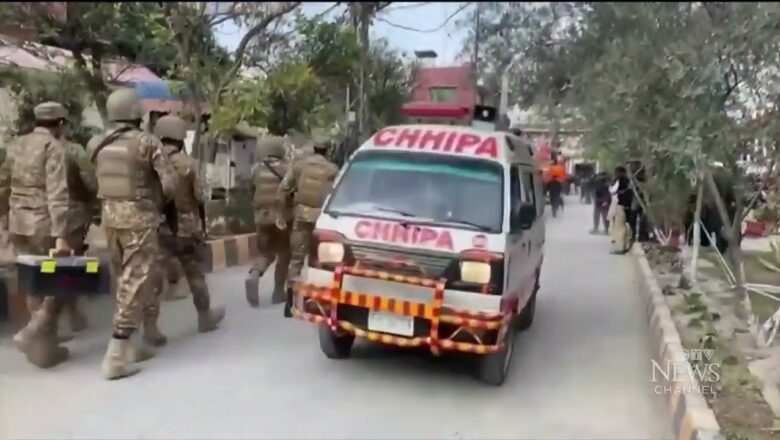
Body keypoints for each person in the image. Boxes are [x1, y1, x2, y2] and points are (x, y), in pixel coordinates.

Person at [88, 88, 177, 380]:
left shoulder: (96, 143)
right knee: (136, 282)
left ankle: (132, 348)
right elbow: (169, 184)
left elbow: (93, 181)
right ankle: (116, 355)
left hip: (109, 220)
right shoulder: (146, 142)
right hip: (139, 220)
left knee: (124, 281)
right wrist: (158, 206)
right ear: (136, 112)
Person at [141, 115, 225, 347]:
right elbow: (200, 197)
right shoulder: (189, 164)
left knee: (154, 276)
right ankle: (205, 316)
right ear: (180, 137)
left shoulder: (151, 162)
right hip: (186, 228)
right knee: (195, 273)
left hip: (159, 227)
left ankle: (150, 326)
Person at [1, 101, 72, 368]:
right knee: (66, 279)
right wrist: (61, 234)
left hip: (17, 221)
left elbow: (3, 184)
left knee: (32, 281)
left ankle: (44, 351)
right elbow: (57, 193)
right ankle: (34, 330)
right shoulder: (53, 147)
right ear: (61, 124)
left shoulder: (16, 145)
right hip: (43, 223)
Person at [278, 134, 339, 317]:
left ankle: (290, 304)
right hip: (323, 222)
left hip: (301, 218)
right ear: (328, 150)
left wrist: (284, 213)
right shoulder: (333, 169)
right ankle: (322, 305)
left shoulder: (299, 166)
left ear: (314, 148)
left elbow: (283, 189)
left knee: (296, 259)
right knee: (325, 263)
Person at [245, 136, 292, 307]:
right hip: (282, 219)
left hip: (261, 218)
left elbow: (250, 192)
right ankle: (278, 291)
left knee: (266, 253)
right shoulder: (287, 168)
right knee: (285, 253)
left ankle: (254, 274)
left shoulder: (255, 170)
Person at [60, 134, 99, 333]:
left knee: (43, 266)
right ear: (61, 125)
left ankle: (45, 322)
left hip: (32, 218)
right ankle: (72, 313)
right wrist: (94, 207)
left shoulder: (20, 147)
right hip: (71, 215)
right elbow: (91, 182)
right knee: (69, 265)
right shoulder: (73, 150)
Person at [609, 166, 633, 254]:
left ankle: (620, 248)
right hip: (628, 205)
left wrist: (612, 182)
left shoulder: (620, 179)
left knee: (619, 227)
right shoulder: (629, 180)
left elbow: (612, 190)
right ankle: (626, 245)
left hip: (621, 205)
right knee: (626, 226)